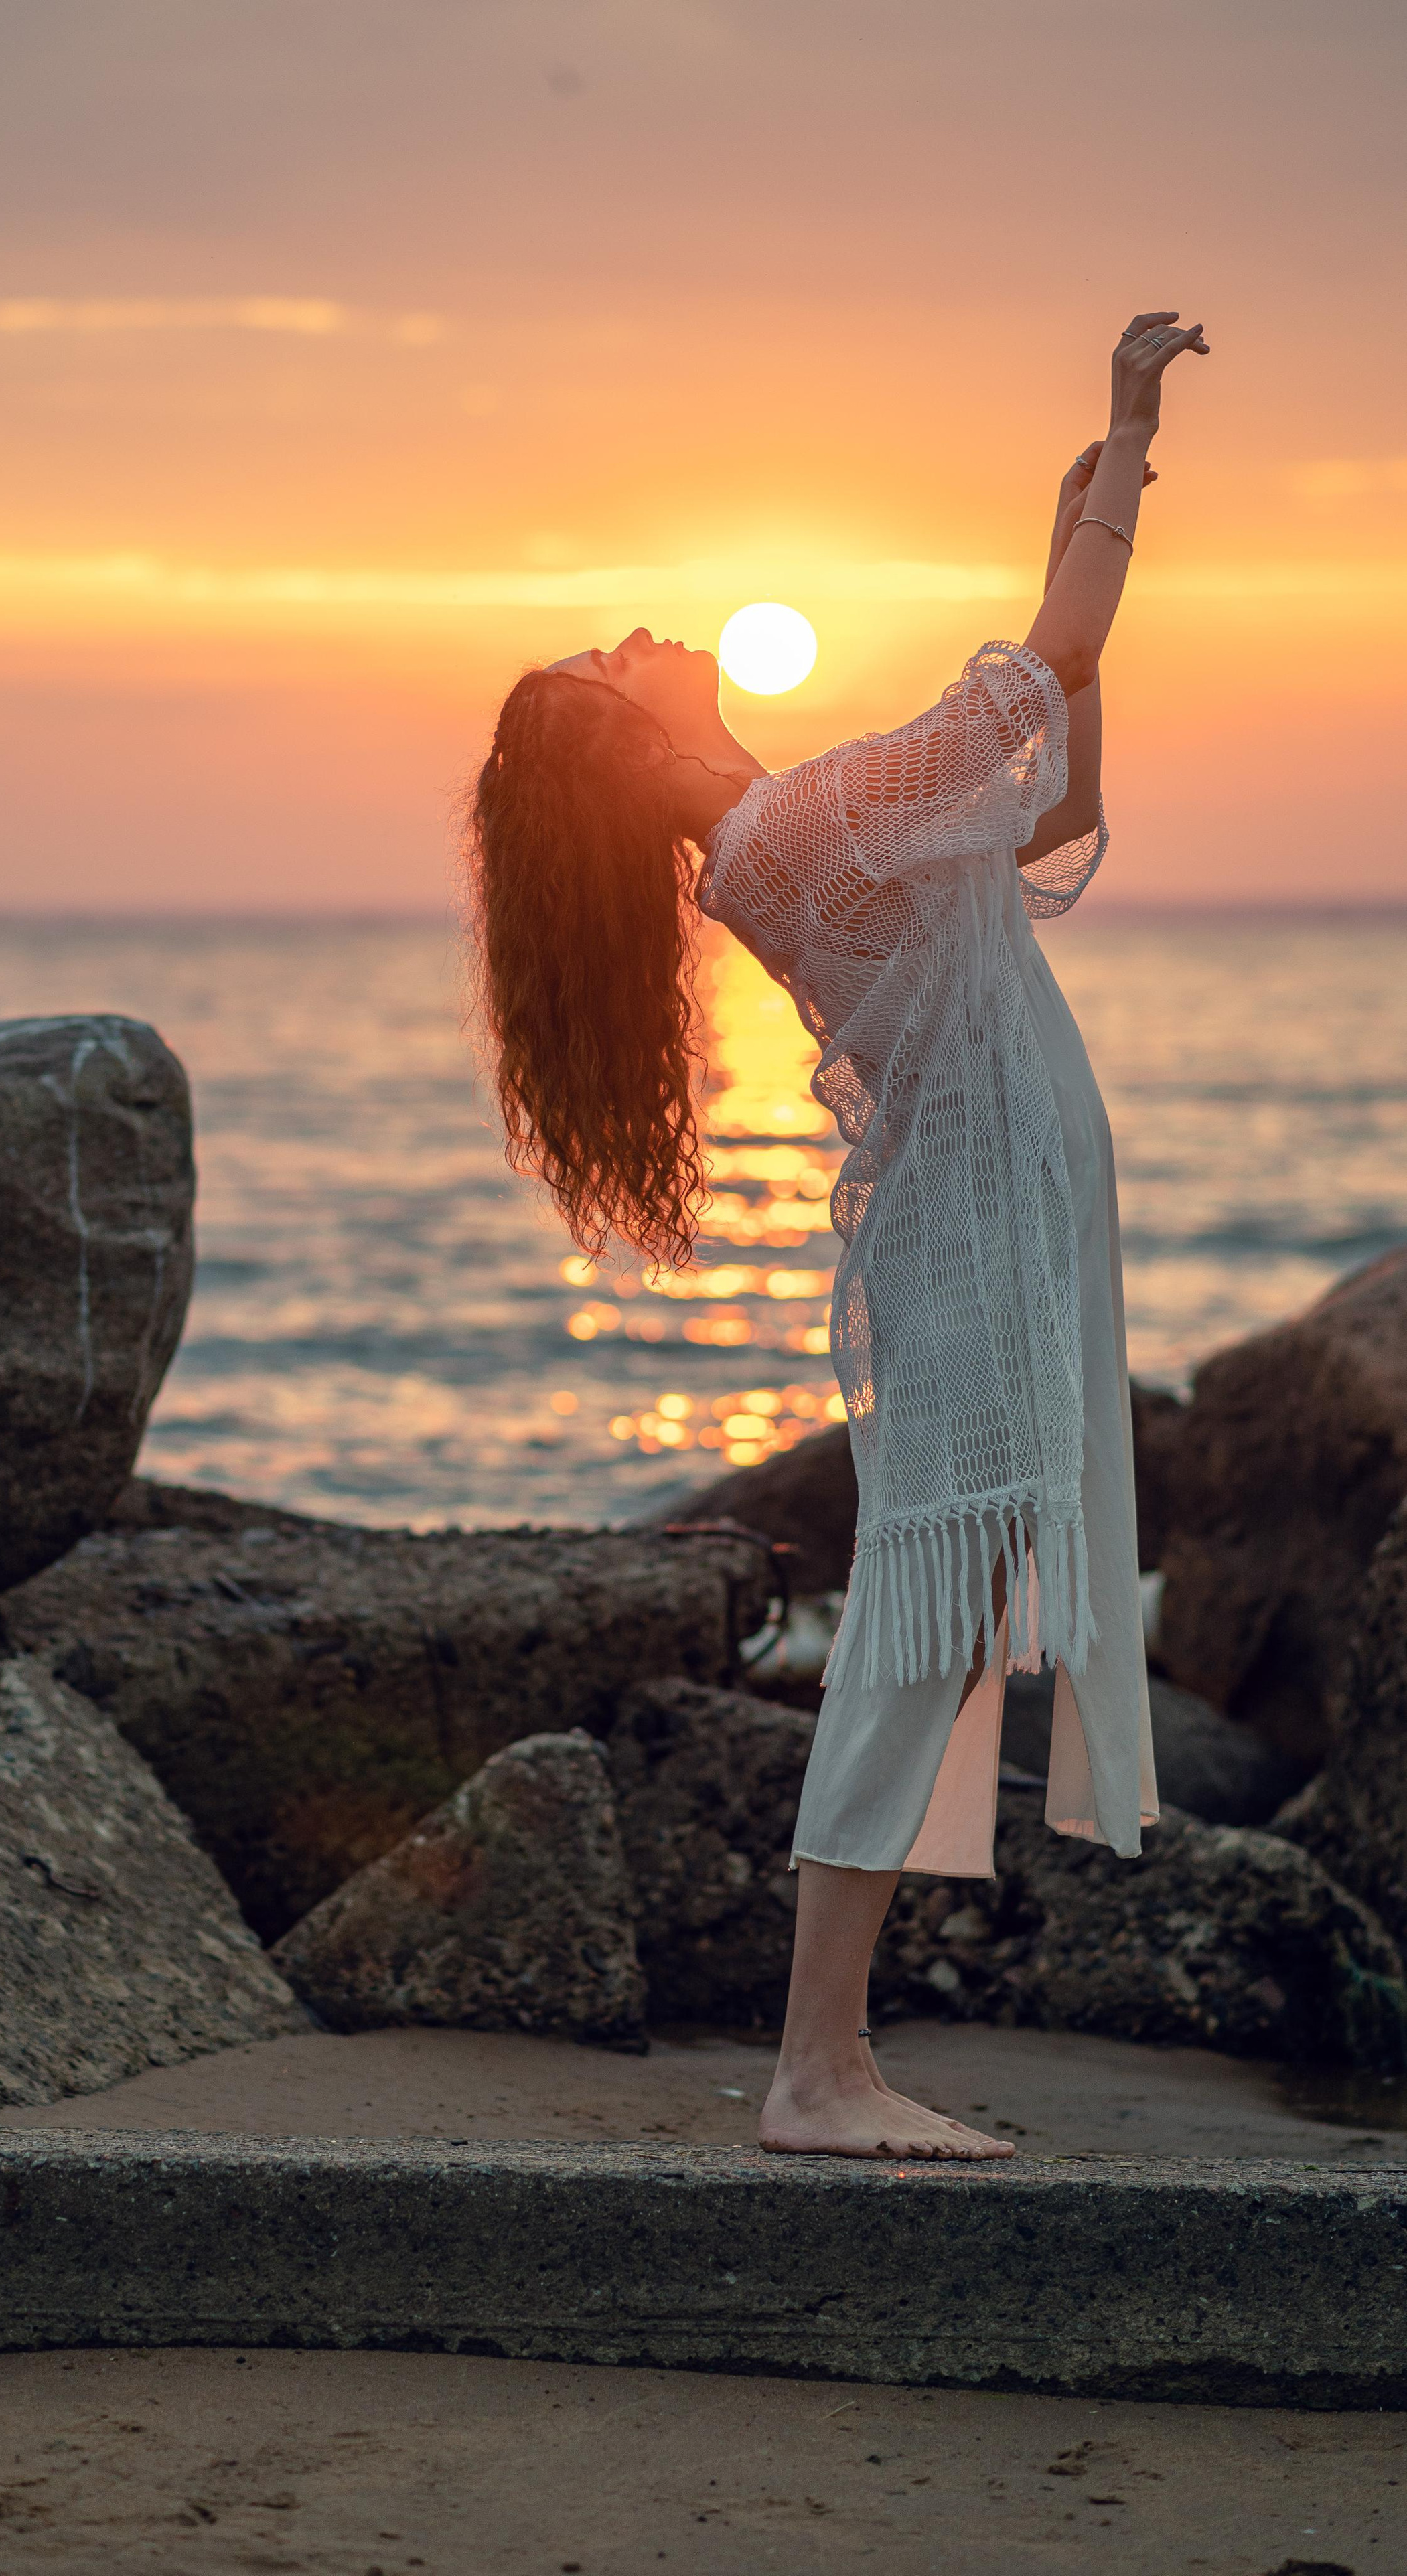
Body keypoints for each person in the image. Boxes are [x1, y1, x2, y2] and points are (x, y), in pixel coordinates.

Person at [466, 313, 1209, 2157]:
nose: (638, 633)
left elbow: (1069, 793)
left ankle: (835, 2053)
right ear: (627, 756)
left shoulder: (807, 828)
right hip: (966, 1233)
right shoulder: (800, 826)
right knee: (922, 1615)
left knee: (946, 1615)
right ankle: (818, 2068)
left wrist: (1073, 551)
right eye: (604, 661)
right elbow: (1050, 659)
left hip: (1002, 1219)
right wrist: (1120, 440)